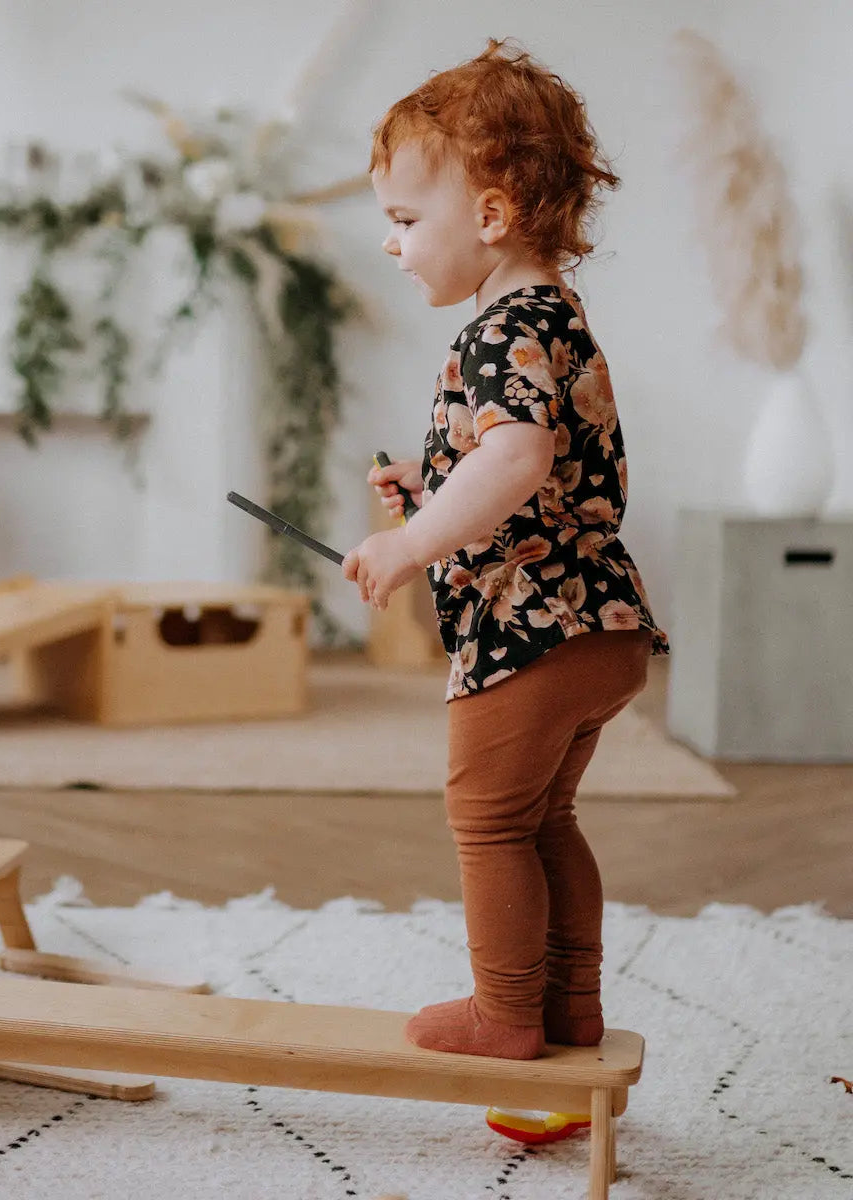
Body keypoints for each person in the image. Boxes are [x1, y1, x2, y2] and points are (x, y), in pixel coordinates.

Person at [342, 38, 669, 1060]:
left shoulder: (495, 332)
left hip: (531, 630)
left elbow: (518, 460)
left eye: (406, 220)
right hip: (601, 621)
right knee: (544, 820)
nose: (391, 243)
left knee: (488, 823)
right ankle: (570, 1006)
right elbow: (527, 465)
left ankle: (507, 1014)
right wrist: (435, 486)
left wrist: (411, 542)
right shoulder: (553, 316)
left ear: (490, 215)